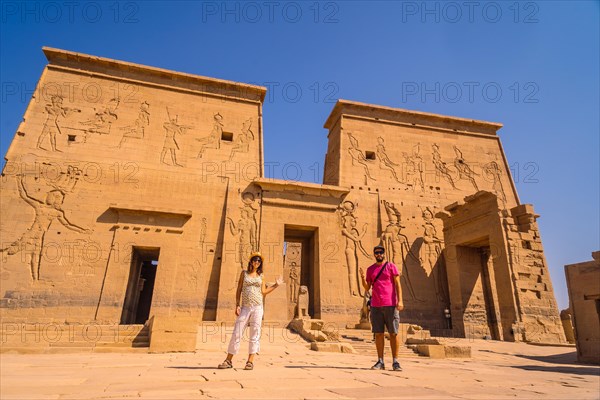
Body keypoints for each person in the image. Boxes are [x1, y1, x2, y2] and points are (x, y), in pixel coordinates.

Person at [218, 252, 283, 370]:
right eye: (255, 260)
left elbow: (263, 292)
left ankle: (250, 361)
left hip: (257, 307)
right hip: (245, 306)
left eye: (259, 261)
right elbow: (239, 289)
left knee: (255, 333)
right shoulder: (244, 273)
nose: (257, 262)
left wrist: (276, 285)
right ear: (251, 261)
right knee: (237, 332)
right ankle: (228, 360)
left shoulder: (261, 276)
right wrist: (237, 304)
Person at [359, 245, 404, 371]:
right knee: (378, 333)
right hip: (376, 305)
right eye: (376, 253)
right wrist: (362, 279)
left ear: (384, 253)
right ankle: (380, 361)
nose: (379, 254)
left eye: (380, 252)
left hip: (390, 303)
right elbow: (367, 288)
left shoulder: (391, 266)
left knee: (393, 333)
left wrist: (400, 300)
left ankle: (395, 361)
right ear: (374, 254)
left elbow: (398, 284)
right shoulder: (370, 269)